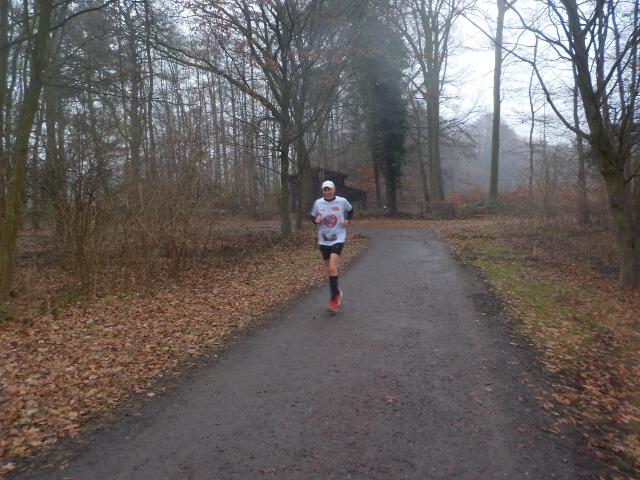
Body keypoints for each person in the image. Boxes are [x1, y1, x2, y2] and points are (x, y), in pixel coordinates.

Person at [310, 180, 353, 312]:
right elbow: (312, 216)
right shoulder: (318, 203)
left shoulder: (342, 201)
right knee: (329, 269)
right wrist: (315, 220)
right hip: (323, 240)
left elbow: (351, 210)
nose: (327, 192)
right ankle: (336, 291)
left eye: (329, 189)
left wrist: (348, 220)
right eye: (325, 190)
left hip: (338, 238)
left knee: (332, 268)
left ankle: (334, 299)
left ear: (334, 190)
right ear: (322, 191)